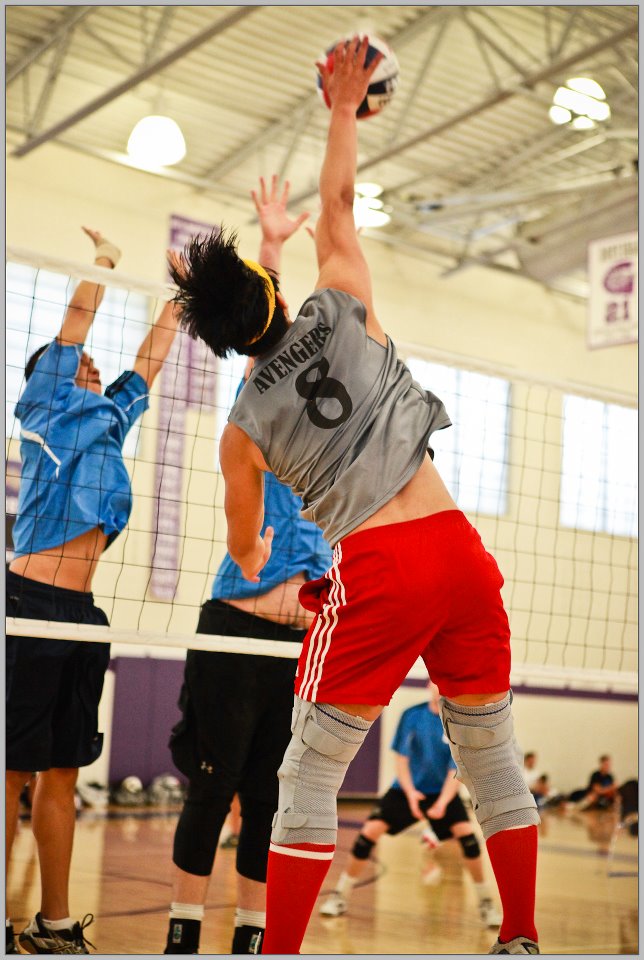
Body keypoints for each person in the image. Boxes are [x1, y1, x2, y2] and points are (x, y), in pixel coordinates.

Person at [171, 37, 541, 957]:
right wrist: (342, 106)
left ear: (221, 344)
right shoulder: (341, 299)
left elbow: (248, 551)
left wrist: (261, 552)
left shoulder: (241, 432)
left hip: (379, 569)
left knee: (307, 775)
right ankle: (521, 935)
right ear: (270, 283)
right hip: (460, 551)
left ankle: (282, 951)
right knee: (492, 760)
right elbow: (337, 205)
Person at [163, 181, 331, 957]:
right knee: (214, 786)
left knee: (271, 796)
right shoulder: (252, 414)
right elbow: (260, 335)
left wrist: (272, 246)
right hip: (237, 626)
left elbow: (272, 329)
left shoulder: (321, 408)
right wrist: (255, 554)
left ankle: (254, 936)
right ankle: (183, 933)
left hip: (301, 642)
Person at [6, 228, 180, 955]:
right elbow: (76, 322)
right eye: (77, 360)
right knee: (11, 768)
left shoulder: (109, 417)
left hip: (82, 614)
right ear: (47, 374)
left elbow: (149, 361)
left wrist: (182, 298)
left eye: (88, 363)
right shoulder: (45, 402)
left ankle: (53, 923)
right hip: (28, 603)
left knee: (62, 773)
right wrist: (103, 262)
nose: (89, 362)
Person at [320, 683, 501, 928]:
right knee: (368, 834)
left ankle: (486, 902)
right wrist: (411, 793)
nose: (439, 688)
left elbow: (457, 768)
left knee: (468, 838)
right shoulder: (412, 715)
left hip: (442, 792)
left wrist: (442, 803)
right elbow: (401, 759)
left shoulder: (457, 721)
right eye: (434, 683)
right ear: (428, 686)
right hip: (406, 790)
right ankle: (339, 896)